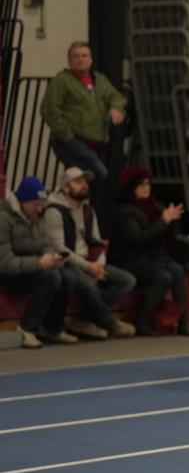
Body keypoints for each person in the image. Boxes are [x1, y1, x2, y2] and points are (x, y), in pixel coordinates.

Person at [43, 167, 136, 340]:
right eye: (78, 182)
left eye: (85, 181)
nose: (84, 185)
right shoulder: (54, 211)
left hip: (88, 261)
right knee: (88, 285)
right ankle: (110, 323)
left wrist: (98, 265)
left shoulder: (88, 211)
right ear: (65, 187)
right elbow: (60, 249)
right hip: (66, 262)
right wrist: (88, 267)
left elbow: (97, 242)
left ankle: (83, 319)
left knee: (127, 280)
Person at [40, 42, 128, 213]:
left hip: (96, 144)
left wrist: (116, 108)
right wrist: (67, 135)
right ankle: (73, 209)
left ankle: (78, 213)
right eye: (76, 56)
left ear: (90, 60)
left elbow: (116, 96)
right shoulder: (62, 81)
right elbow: (49, 110)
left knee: (78, 180)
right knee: (98, 173)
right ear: (69, 60)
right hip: (72, 141)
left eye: (84, 56)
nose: (80, 59)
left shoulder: (99, 80)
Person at [111, 165, 189, 336]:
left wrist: (171, 221)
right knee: (164, 276)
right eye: (141, 184)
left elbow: (167, 239)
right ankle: (142, 321)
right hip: (129, 260)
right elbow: (138, 240)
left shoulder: (153, 206)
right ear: (131, 187)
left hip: (150, 258)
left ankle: (184, 322)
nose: (146, 188)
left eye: (148, 184)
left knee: (177, 269)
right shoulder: (124, 211)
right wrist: (163, 222)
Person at [0, 177, 77, 348]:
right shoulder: (3, 218)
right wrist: (39, 263)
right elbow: (4, 262)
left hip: (28, 268)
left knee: (68, 276)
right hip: (6, 275)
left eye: (42, 204)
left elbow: (44, 244)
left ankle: (53, 328)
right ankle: (26, 329)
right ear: (22, 201)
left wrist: (53, 257)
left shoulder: (36, 216)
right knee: (51, 277)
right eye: (36, 204)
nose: (40, 209)